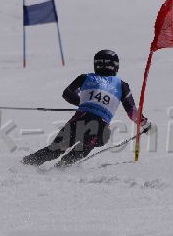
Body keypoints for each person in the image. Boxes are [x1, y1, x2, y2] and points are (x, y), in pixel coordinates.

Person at [22, 50, 150, 167]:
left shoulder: (85, 78)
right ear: (115, 65)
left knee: (54, 150)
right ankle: (62, 166)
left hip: (79, 119)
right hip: (100, 127)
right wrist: (145, 124)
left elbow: (67, 94)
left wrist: (85, 105)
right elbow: (132, 112)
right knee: (88, 144)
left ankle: (24, 165)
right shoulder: (122, 86)